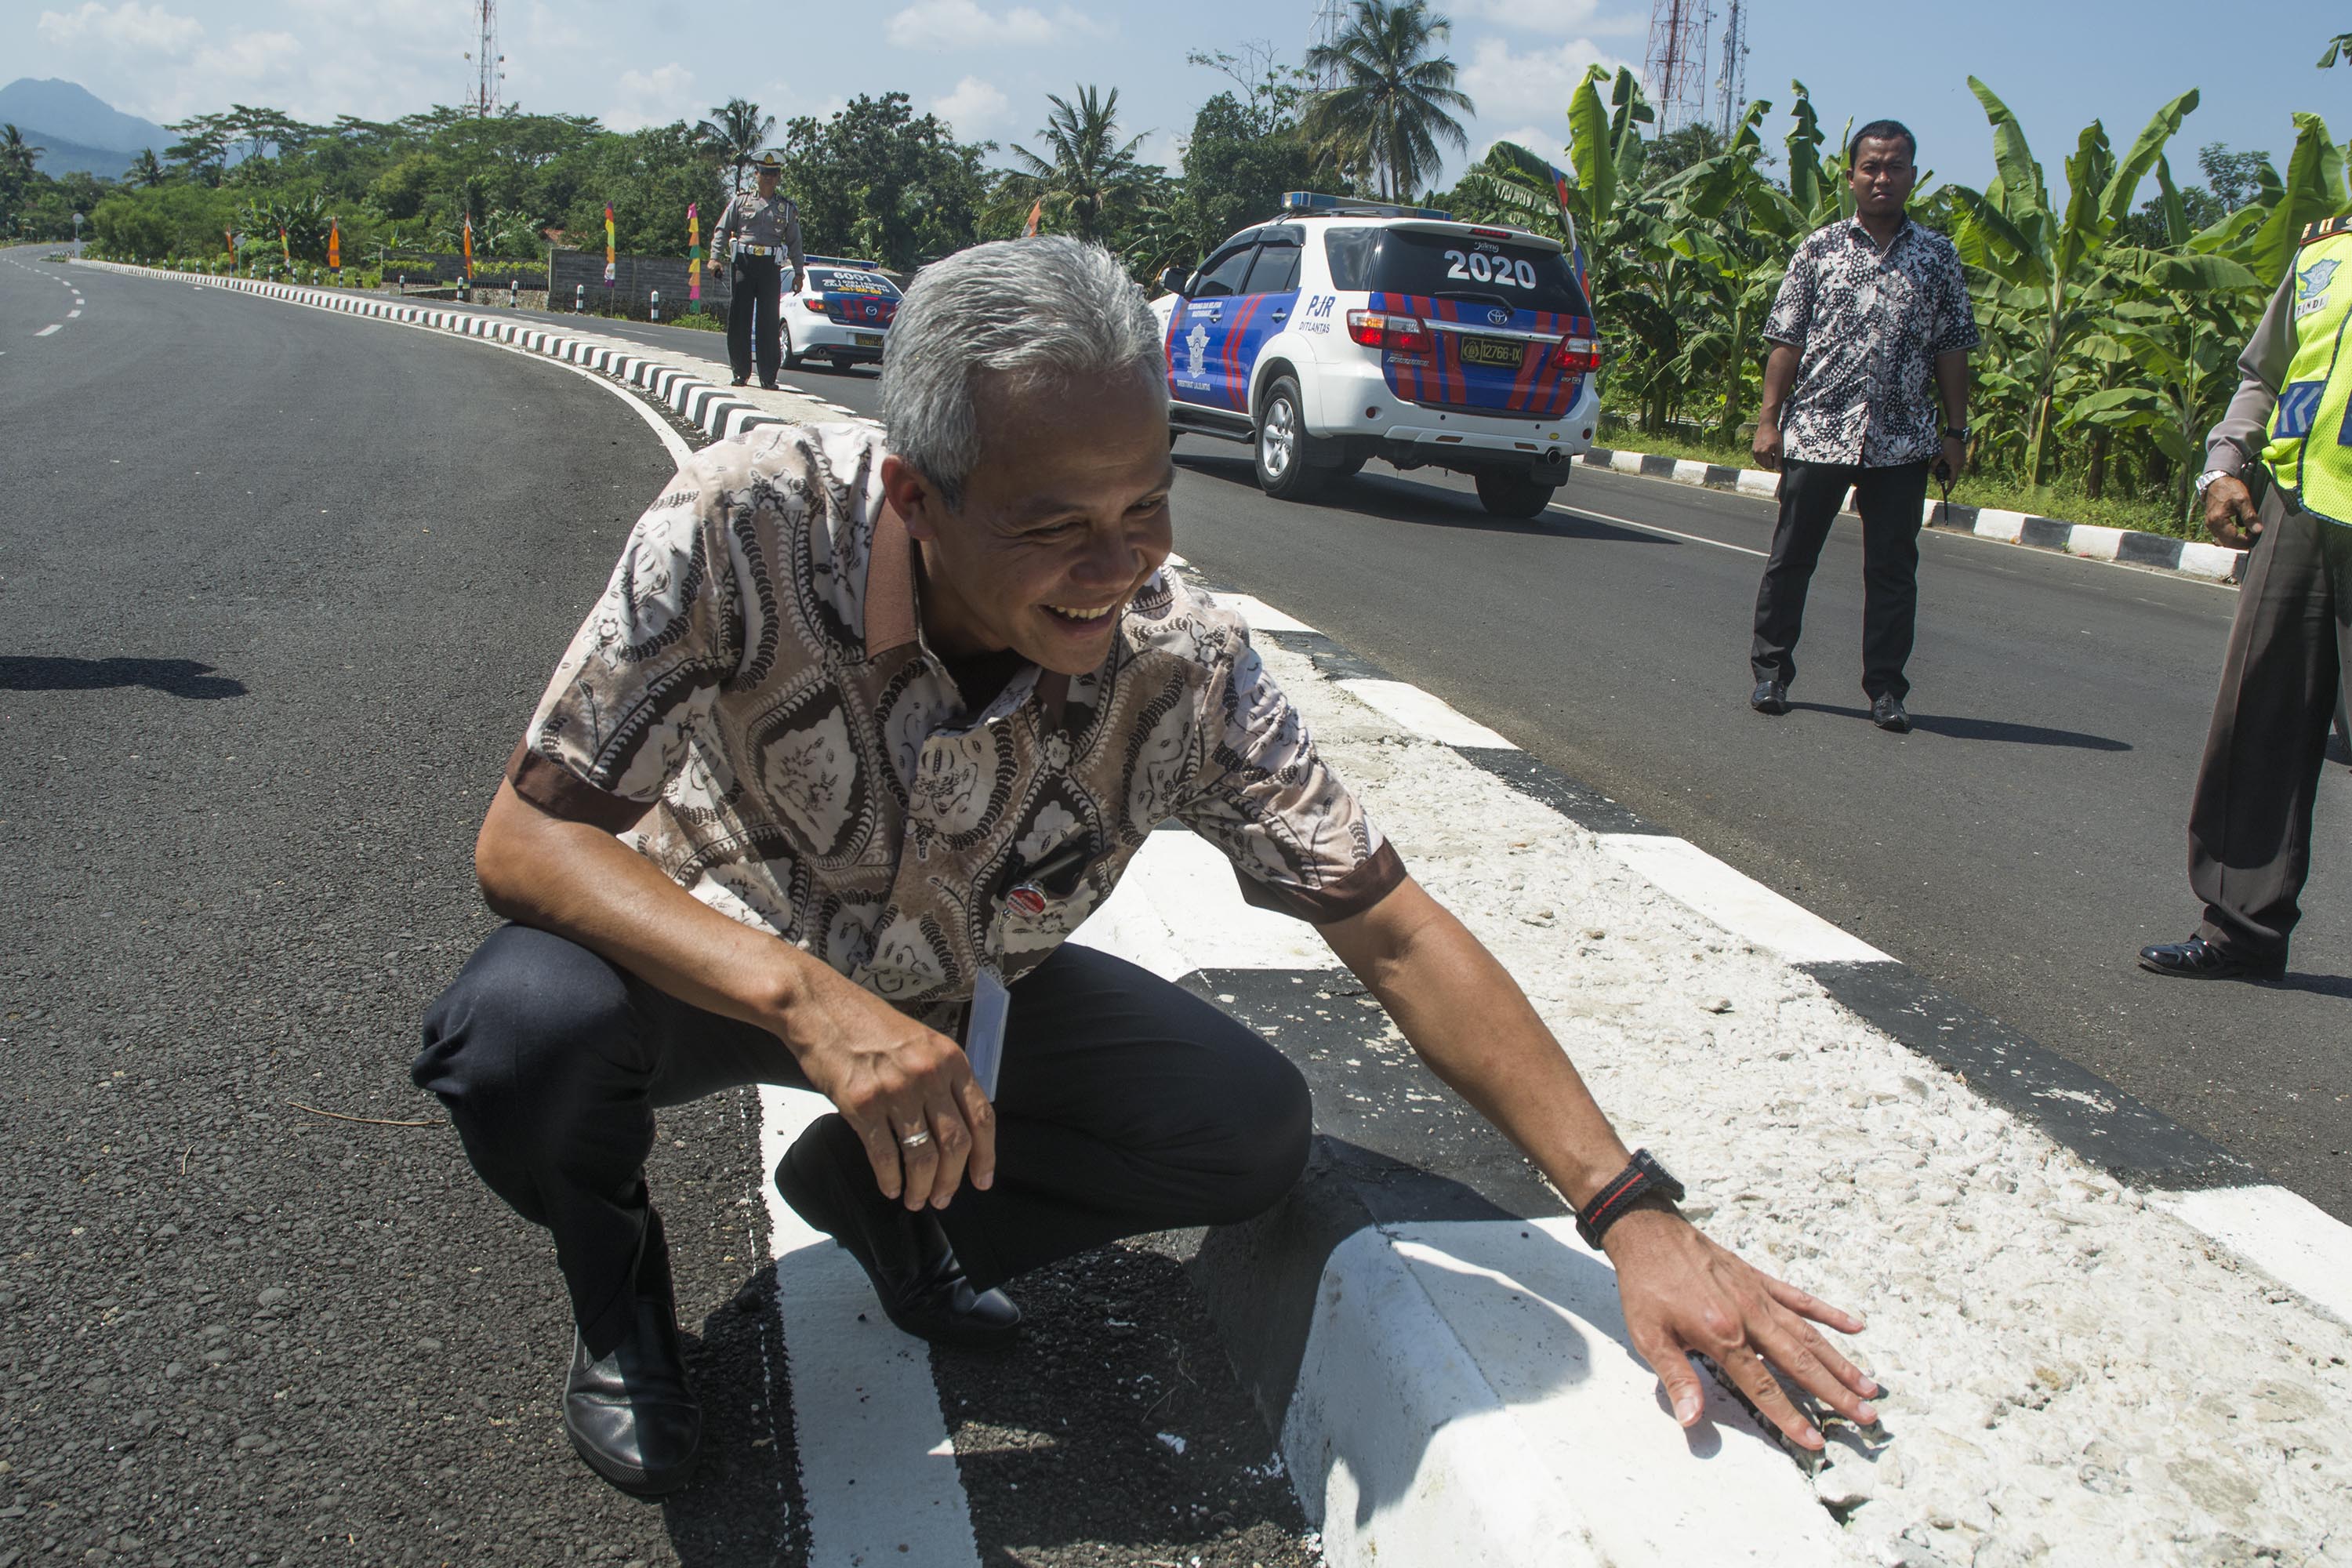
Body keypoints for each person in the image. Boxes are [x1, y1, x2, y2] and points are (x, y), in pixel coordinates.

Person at [413, 237, 1880, 1498]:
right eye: (1053, 525)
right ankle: (622, 1301)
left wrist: (1629, 1211)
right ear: (916, 496)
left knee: (1244, 1129)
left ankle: (890, 1202)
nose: (1115, 566)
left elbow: (1391, 927)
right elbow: (526, 837)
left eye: (1146, 506)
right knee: (519, 1034)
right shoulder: (749, 523)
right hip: (713, 960)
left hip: (962, 1002)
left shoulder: (1183, 662)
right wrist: (802, 998)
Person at [2140, 216, 2352, 983]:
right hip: (2298, 508)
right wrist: (2225, 463)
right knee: (2260, 715)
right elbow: (2266, 372)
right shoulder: (2326, 250)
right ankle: (2241, 928)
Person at [1748, 119, 1979, 733]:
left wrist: (1956, 432)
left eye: (1895, 167)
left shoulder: (1937, 257)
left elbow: (1952, 349)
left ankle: (1886, 689)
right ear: (1850, 176)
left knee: (1893, 572)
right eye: (1871, 167)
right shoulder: (1819, 249)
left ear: (1912, 176)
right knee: (1791, 558)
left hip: (1902, 440)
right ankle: (1771, 673)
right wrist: (1769, 421)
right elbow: (1786, 341)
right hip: (1819, 430)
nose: (1883, 178)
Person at [710, 152, 804, 390]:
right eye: (764, 173)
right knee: (739, 317)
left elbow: (795, 242)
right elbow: (722, 229)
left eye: (773, 173)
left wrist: (799, 273)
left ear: (779, 176)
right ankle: (740, 372)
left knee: (768, 321)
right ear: (756, 174)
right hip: (744, 263)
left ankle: (768, 377)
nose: (768, 177)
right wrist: (714, 258)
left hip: (770, 266)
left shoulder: (786, 208)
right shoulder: (741, 201)